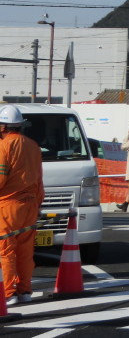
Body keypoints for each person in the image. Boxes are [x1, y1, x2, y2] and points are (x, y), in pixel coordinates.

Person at [0, 105, 44, 305]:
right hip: (30, 204)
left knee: (6, 250)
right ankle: (25, 291)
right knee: (25, 251)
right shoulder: (33, 146)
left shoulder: (4, 146)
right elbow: (39, 180)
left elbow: (1, 178)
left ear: (3, 126)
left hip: (8, 205)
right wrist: (38, 204)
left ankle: (8, 293)